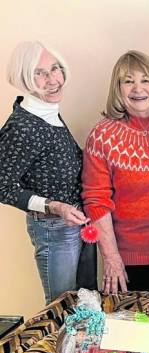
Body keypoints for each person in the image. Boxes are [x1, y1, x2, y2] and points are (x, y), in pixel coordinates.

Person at [82, 51, 149, 294]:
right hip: (130, 262)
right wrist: (111, 258)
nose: (137, 88)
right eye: (128, 81)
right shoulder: (102, 135)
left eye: (145, 80)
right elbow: (96, 201)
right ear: (117, 89)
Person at [0, 41, 96, 304]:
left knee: (86, 304)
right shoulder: (22, 125)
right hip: (55, 228)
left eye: (55, 69)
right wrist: (54, 206)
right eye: (39, 73)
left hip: (77, 221)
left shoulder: (49, 112)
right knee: (62, 308)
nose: (52, 80)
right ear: (24, 79)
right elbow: (3, 186)